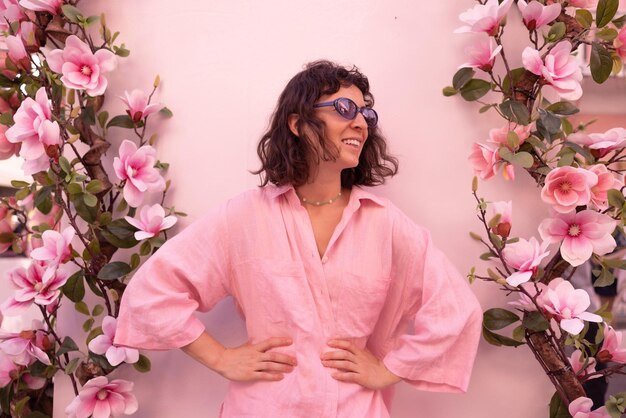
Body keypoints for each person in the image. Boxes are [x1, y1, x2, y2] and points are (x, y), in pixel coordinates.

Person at [114, 60, 483, 418]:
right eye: (345, 108)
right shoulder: (244, 217)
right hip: (263, 406)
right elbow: (152, 293)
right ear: (297, 123)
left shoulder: (386, 225)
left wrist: (388, 370)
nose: (360, 123)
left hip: (354, 408)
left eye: (367, 115)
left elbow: (455, 310)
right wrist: (221, 357)